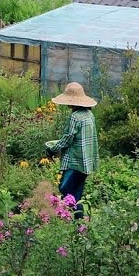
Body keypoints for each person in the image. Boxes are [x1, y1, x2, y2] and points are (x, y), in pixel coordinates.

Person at [45, 81, 99, 217]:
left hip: (75, 161)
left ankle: (72, 218)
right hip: (86, 162)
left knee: (65, 189)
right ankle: (78, 223)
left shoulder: (75, 117)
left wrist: (53, 149)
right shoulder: (89, 115)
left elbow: (67, 139)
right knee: (76, 193)